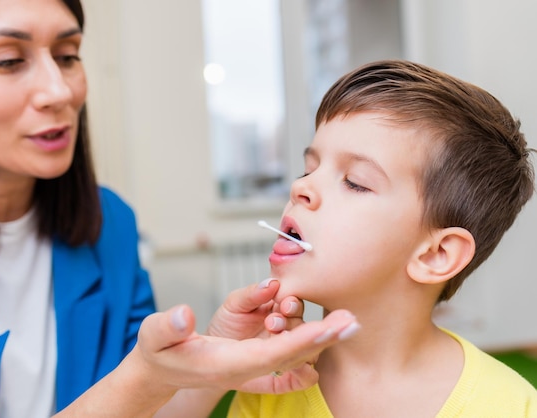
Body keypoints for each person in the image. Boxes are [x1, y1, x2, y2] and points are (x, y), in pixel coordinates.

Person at [0, 0, 360, 417]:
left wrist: (214, 361)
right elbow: (134, 388)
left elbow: (143, 409)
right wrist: (145, 375)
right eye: (8, 60)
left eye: (68, 56)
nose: (59, 91)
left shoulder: (110, 226)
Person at [227, 60, 537, 417]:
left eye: (355, 181)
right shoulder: (267, 390)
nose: (301, 187)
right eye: (310, 169)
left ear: (435, 254)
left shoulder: (511, 406)